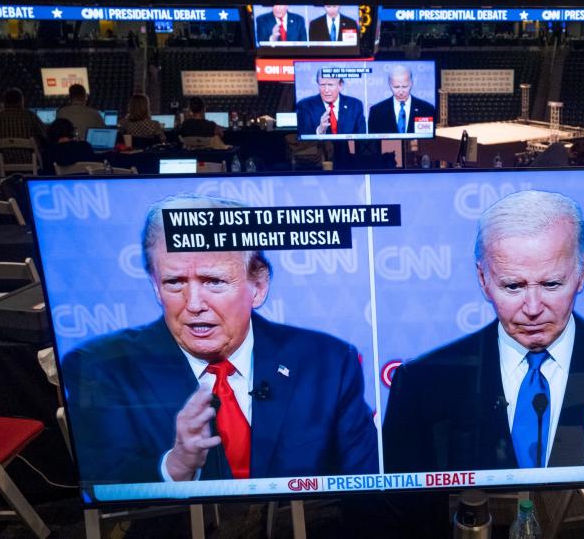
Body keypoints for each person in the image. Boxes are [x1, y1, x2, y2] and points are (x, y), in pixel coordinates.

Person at [61, 194, 379, 484]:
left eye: (213, 281)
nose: (194, 303)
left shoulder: (328, 363)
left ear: (258, 286)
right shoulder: (101, 367)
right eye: (174, 282)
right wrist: (174, 467)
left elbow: (362, 486)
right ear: (156, 287)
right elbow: (102, 485)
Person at [382, 190, 584, 473]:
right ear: (482, 278)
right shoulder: (420, 382)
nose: (533, 308)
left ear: (583, 271)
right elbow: (405, 509)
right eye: (513, 286)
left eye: (551, 284)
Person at [295, 70, 368, 166]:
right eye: (322, 85)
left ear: (340, 85)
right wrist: (319, 131)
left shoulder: (355, 105)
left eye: (330, 85)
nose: (326, 90)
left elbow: (362, 137)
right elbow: (302, 139)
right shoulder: (305, 105)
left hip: (350, 162)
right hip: (317, 163)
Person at [367, 65, 435, 135]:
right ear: (390, 85)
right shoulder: (376, 111)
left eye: (405, 86)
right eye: (396, 87)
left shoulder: (427, 109)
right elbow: (373, 142)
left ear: (411, 84)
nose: (401, 92)